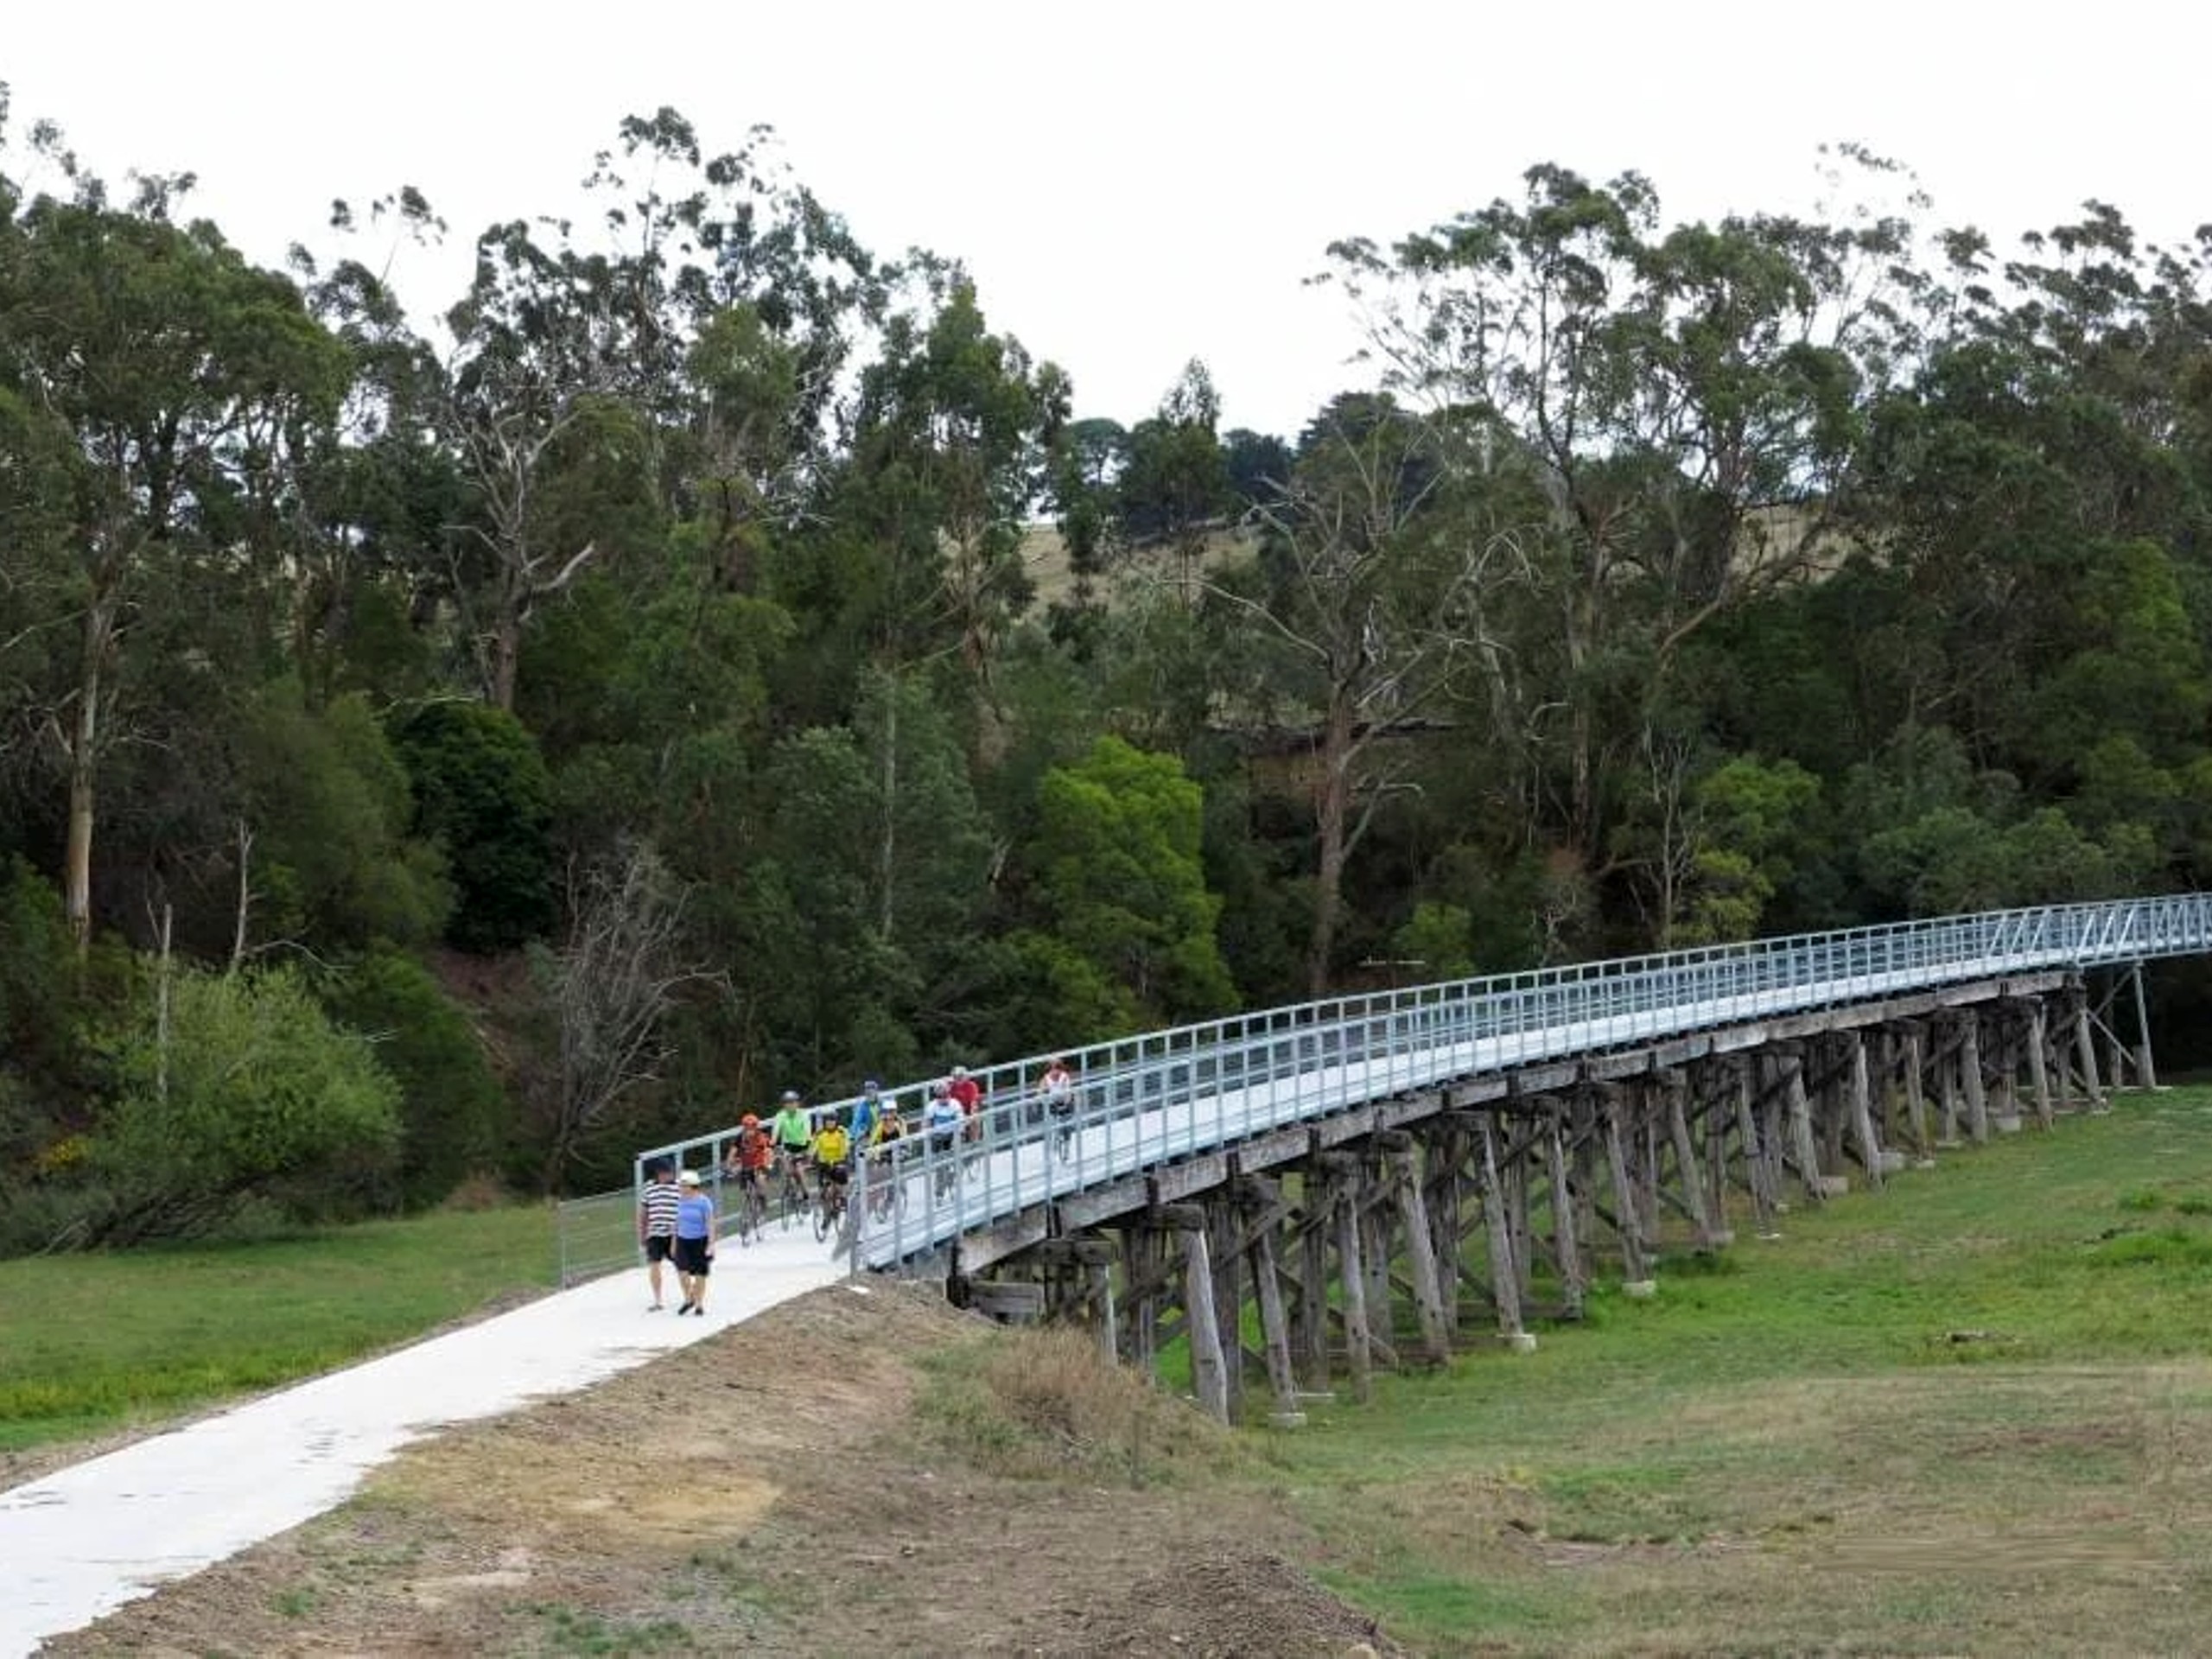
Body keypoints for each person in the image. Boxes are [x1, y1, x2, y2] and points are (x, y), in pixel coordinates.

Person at [638, 1160, 681, 1311]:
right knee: (654, 1264)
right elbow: (643, 1213)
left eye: (670, 1172)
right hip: (655, 1233)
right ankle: (658, 1300)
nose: (668, 1175)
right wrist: (642, 1234)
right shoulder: (649, 1187)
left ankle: (690, 1295)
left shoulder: (679, 1186)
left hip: (675, 1234)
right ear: (658, 1173)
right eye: (665, 1173)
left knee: (682, 1266)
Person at [672, 1169, 715, 1316]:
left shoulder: (704, 1202)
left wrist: (711, 1244)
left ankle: (699, 1305)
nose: (680, 1188)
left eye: (683, 1185)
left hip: (700, 1241)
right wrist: (674, 1242)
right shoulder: (679, 1201)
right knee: (682, 1271)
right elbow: (677, 1222)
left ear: (691, 1186)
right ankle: (688, 1298)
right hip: (683, 1240)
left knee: (699, 1274)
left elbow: (710, 1223)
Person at [770, 1090, 813, 1198]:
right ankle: (790, 1189)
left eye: (793, 1102)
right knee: (787, 1169)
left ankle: (805, 1192)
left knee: (799, 1169)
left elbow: (808, 1131)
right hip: (788, 1147)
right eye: (787, 1103)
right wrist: (772, 1142)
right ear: (784, 1105)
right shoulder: (780, 1115)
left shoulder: (804, 1114)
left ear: (797, 1103)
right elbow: (776, 1131)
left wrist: (808, 1144)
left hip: (802, 1146)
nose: (790, 1105)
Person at [810, 1108, 853, 1217]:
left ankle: (842, 1197)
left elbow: (846, 1145)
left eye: (832, 1120)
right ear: (825, 1122)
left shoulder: (841, 1132)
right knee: (823, 1191)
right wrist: (810, 1157)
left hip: (839, 1160)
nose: (830, 1122)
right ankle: (826, 1216)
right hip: (824, 1163)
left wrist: (844, 1157)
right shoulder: (820, 1133)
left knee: (841, 1177)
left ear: (836, 1121)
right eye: (828, 1120)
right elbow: (813, 1147)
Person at [948, 1065, 983, 1143]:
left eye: (960, 1076)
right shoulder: (950, 1087)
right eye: (955, 1076)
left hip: (967, 1112)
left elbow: (973, 1103)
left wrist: (971, 1115)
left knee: (975, 1119)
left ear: (965, 1076)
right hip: (956, 1114)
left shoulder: (971, 1085)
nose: (958, 1078)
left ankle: (974, 1143)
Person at [849, 1079, 887, 1144]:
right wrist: (852, 1136)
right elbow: (856, 1121)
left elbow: (890, 1115)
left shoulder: (882, 1103)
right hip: (870, 1133)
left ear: (876, 1091)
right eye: (867, 1091)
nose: (870, 1093)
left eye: (872, 1090)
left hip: (883, 1130)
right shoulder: (862, 1106)